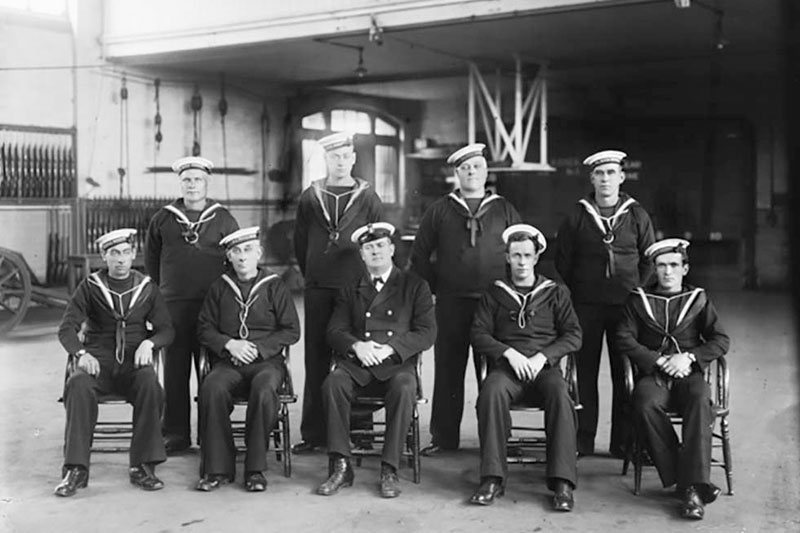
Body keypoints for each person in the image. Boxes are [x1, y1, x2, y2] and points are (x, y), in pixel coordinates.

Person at [409, 143, 521, 456]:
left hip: (495, 305)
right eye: (465, 168)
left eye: (477, 167)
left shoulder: (504, 209)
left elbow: (521, 254)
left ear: (486, 171)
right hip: (452, 303)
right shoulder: (440, 209)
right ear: (456, 173)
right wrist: (435, 289)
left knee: (497, 370)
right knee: (448, 369)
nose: (471, 172)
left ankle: (497, 438)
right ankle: (444, 438)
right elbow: (419, 257)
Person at [316, 222, 436, 498]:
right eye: (369, 248)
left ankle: (389, 467)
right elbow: (335, 331)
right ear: (361, 255)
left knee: (405, 388)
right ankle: (341, 465)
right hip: (358, 363)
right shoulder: (351, 288)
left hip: (395, 363)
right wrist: (357, 345)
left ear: (392, 248)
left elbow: (427, 333)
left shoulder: (414, 285)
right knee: (333, 384)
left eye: (381, 246)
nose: (376, 252)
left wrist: (392, 348)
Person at [470, 224, 582, 510]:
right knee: (490, 393)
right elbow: (479, 334)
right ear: (507, 257)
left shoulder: (555, 293)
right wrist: (509, 353)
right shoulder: (494, 294)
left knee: (561, 395)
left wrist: (542, 358)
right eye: (516, 255)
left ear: (536, 258)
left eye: (527, 255)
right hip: (507, 370)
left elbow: (573, 335)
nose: (521, 262)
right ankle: (492, 478)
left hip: (544, 369)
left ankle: (562, 483)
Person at [616, 238, 729, 520]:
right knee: (644, 403)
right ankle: (688, 480)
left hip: (687, 373)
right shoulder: (638, 299)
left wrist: (689, 358)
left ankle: (690, 488)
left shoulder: (699, 299)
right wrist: (658, 360)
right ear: (654, 268)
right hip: (653, 375)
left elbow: (720, 340)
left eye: (674, 265)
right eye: (661, 265)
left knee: (700, 397)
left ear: (685, 268)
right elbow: (623, 338)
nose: (667, 272)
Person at [55, 229, 174, 497]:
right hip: (99, 362)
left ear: (134, 255)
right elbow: (66, 329)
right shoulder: (90, 286)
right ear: (103, 257)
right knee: (77, 385)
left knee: (150, 386)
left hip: (134, 363)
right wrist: (81, 355)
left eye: (125, 253)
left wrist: (150, 343)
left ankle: (142, 466)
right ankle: (76, 470)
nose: (120, 260)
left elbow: (167, 329)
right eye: (113, 254)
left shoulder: (147, 288)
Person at [554, 149, 654, 457]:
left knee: (625, 372)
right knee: (583, 372)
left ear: (622, 177)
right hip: (587, 306)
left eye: (611, 173)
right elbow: (563, 260)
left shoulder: (637, 214)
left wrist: (635, 290)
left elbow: (649, 258)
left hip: (626, 307)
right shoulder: (577, 214)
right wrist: (583, 289)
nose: (606, 179)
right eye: (600, 174)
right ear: (592, 178)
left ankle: (622, 442)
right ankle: (583, 440)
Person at [293, 132, 383, 454]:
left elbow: (377, 245)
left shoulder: (368, 197)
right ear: (326, 160)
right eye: (334, 157)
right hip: (319, 287)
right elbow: (300, 243)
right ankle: (314, 433)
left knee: (357, 356)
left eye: (346, 156)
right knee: (316, 358)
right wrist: (313, 274)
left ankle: (359, 431)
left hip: (356, 288)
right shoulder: (311, 195)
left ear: (353, 159)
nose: (340, 162)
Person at [195, 226, 300, 492]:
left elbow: (291, 330)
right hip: (229, 361)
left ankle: (254, 469)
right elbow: (204, 328)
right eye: (236, 252)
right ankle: (218, 469)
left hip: (265, 362)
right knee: (212, 387)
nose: (242, 257)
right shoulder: (219, 287)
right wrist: (229, 344)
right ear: (229, 257)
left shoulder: (275, 286)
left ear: (259, 253)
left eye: (248, 250)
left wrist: (258, 348)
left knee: (264, 389)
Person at [145, 156, 239, 454]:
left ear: (206, 182)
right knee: (175, 369)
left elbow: (236, 260)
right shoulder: (162, 218)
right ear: (180, 183)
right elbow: (151, 261)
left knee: (212, 369)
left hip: (212, 305)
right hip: (173, 305)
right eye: (187, 179)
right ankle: (175, 433)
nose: (192, 185)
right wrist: (160, 297)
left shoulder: (223, 218)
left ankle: (211, 433)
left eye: (198, 179)